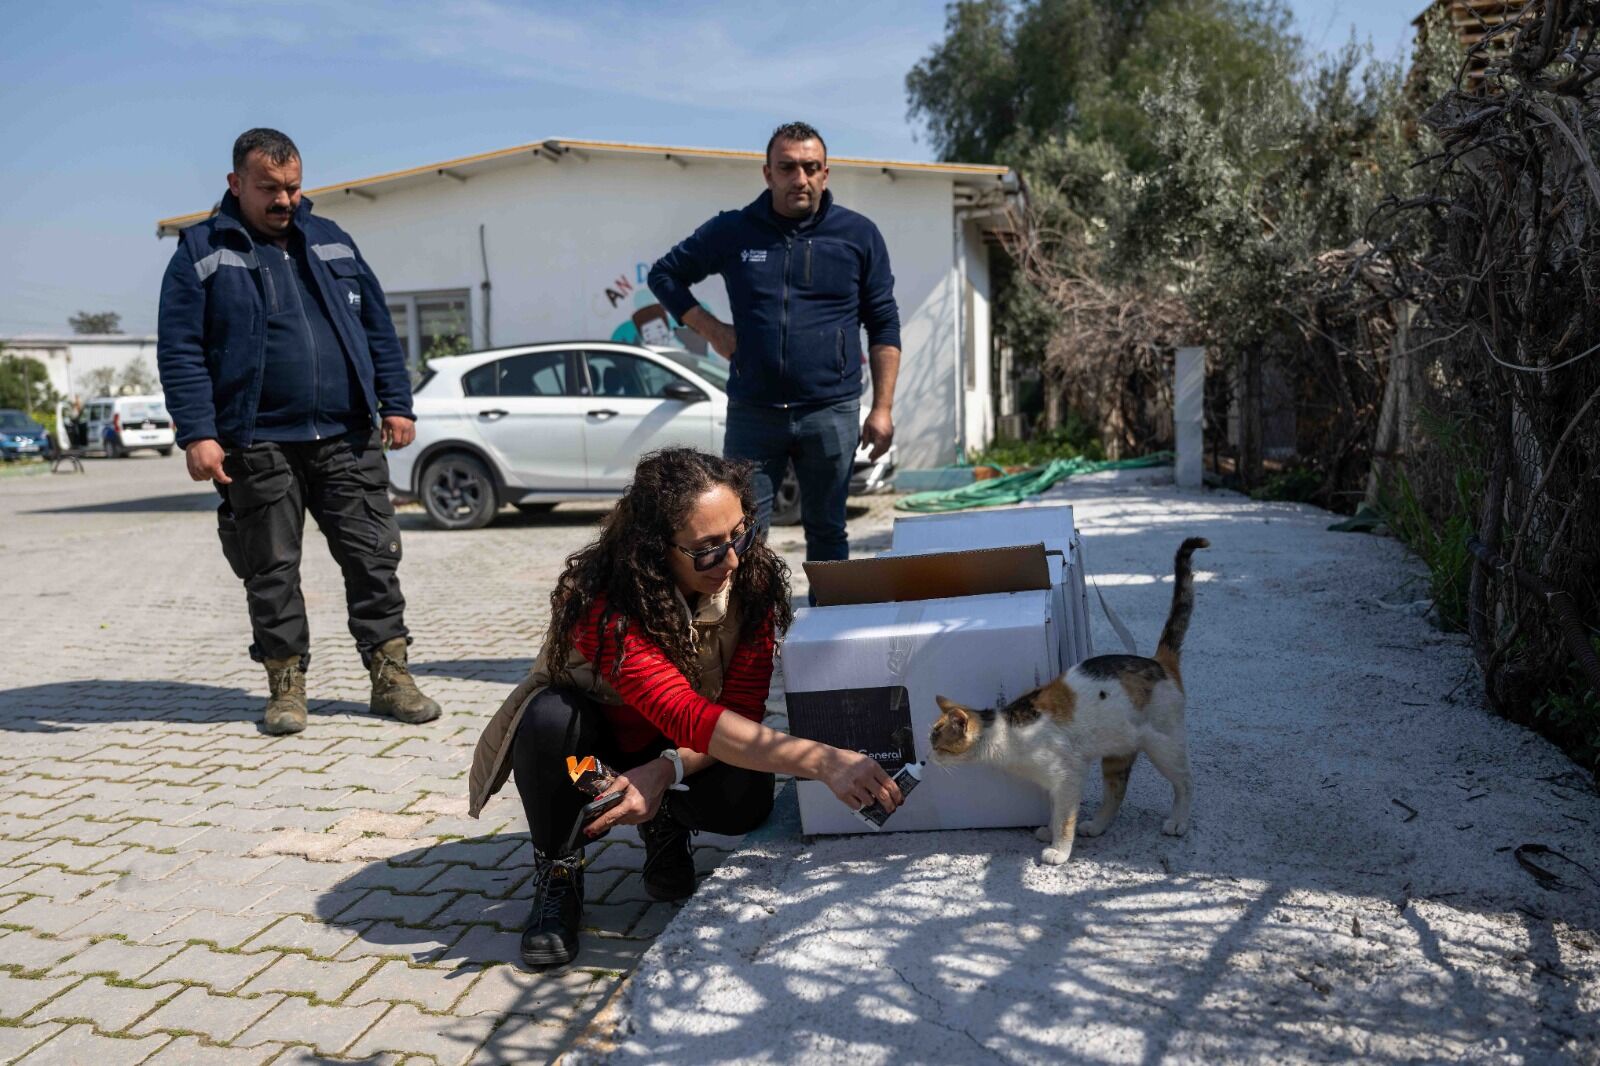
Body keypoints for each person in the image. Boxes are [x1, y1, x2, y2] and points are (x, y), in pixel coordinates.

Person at [467, 447, 902, 969]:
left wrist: (664, 770)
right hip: (591, 757)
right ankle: (558, 871)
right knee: (547, 719)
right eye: (708, 549)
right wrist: (824, 760)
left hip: (673, 747)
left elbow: (739, 709)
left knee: (747, 795)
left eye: (739, 533)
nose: (733, 559)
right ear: (656, 550)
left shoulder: (754, 585)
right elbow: (684, 713)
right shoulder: (598, 603)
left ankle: (665, 821)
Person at [157, 128, 440, 736]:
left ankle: (390, 677)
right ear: (236, 184)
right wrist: (197, 433)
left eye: (292, 187)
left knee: (373, 559)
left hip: (345, 435)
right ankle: (286, 687)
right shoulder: (202, 250)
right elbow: (180, 349)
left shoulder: (332, 239)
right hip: (255, 441)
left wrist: (398, 402)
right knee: (272, 569)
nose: (284, 200)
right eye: (269, 189)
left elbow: (377, 329)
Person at [647, 121, 901, 564]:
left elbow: (883, 323)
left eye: (810, 167)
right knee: (743, 538)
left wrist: (882, 408)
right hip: (754, 412)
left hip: (831, 410)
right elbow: (664, 275)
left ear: (826, 173)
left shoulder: (857, 236)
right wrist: (714, 330)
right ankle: (757, 634)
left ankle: (830, 628)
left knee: (827, 532)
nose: (799, 179)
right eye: (787, 168)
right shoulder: (734, 231)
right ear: (768, 173)